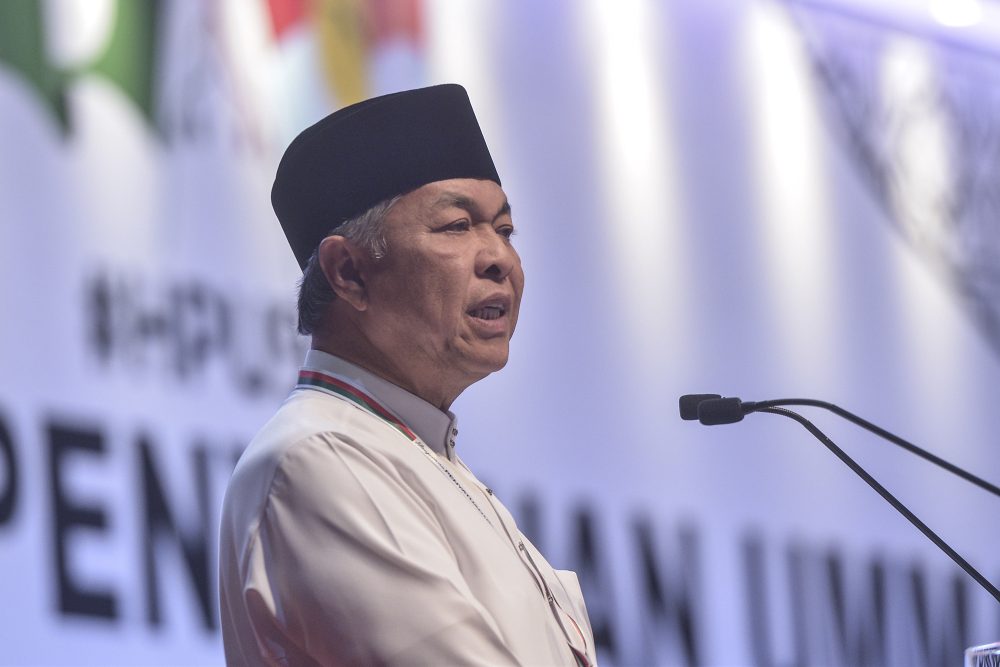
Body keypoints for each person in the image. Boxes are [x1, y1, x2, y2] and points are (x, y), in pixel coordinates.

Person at [219, 84, 596, 666]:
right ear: (349, 273)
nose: (500, 258)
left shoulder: (425, 457)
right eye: (457, 226)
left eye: (504, 230)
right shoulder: (321, 459)